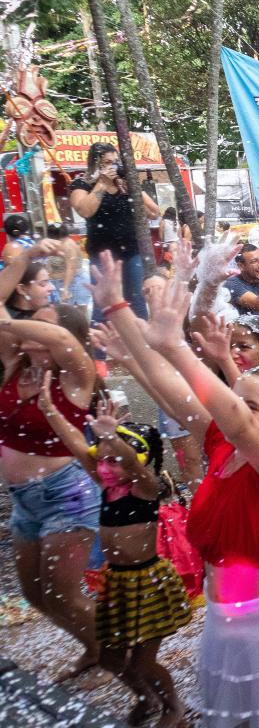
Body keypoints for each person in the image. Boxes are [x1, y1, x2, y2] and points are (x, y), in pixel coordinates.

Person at [92, 257, 259, 727]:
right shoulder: (220, 442)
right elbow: (165, 389)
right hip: (225, 624)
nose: (236, 410)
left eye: (249, 404)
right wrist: (117, 310)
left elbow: (229, 414)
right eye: (237, 400)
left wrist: (176, 346)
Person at [38, 393, 190, 726]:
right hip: (118, 582)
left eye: (113, 461)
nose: (104, 468)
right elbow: (78, 444)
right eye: (101, 460)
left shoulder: (145, 486)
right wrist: (50, 410)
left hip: (147, 583)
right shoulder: (107, 483)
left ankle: (172, 707)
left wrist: (108, 436)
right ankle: (145, 698)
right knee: (110, 658)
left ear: (140, 460)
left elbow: (131, 464)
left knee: (143, 663)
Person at [0, 284, 103, 684]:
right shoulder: (15, 366)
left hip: (67, 495)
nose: (26, 333)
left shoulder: (76, 376)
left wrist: (17, 321)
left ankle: (119, 660)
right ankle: (94, 648)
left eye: (37, 326)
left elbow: (60, 337)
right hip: (24, 500)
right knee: (35, 596)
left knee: (65, 595)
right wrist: (22, 262)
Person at [68, 142, 161, 319]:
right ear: (95, 164)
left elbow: (154, 212)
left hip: (132, 252)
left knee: (137, 304)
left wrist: (132, 186)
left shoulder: (124, 185)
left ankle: (138, 344)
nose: (113, 166)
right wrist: (101, 183)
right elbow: (85, 210)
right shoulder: (82, 184)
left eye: (115, 162)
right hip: (102, 253)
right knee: (104, 306)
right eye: (107, 163)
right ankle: (101, 345)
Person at [223, 243, 259, 319]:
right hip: (250, 329)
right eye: (254, 261)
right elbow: (258, 304)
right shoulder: (231, 284)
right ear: (241, 266)